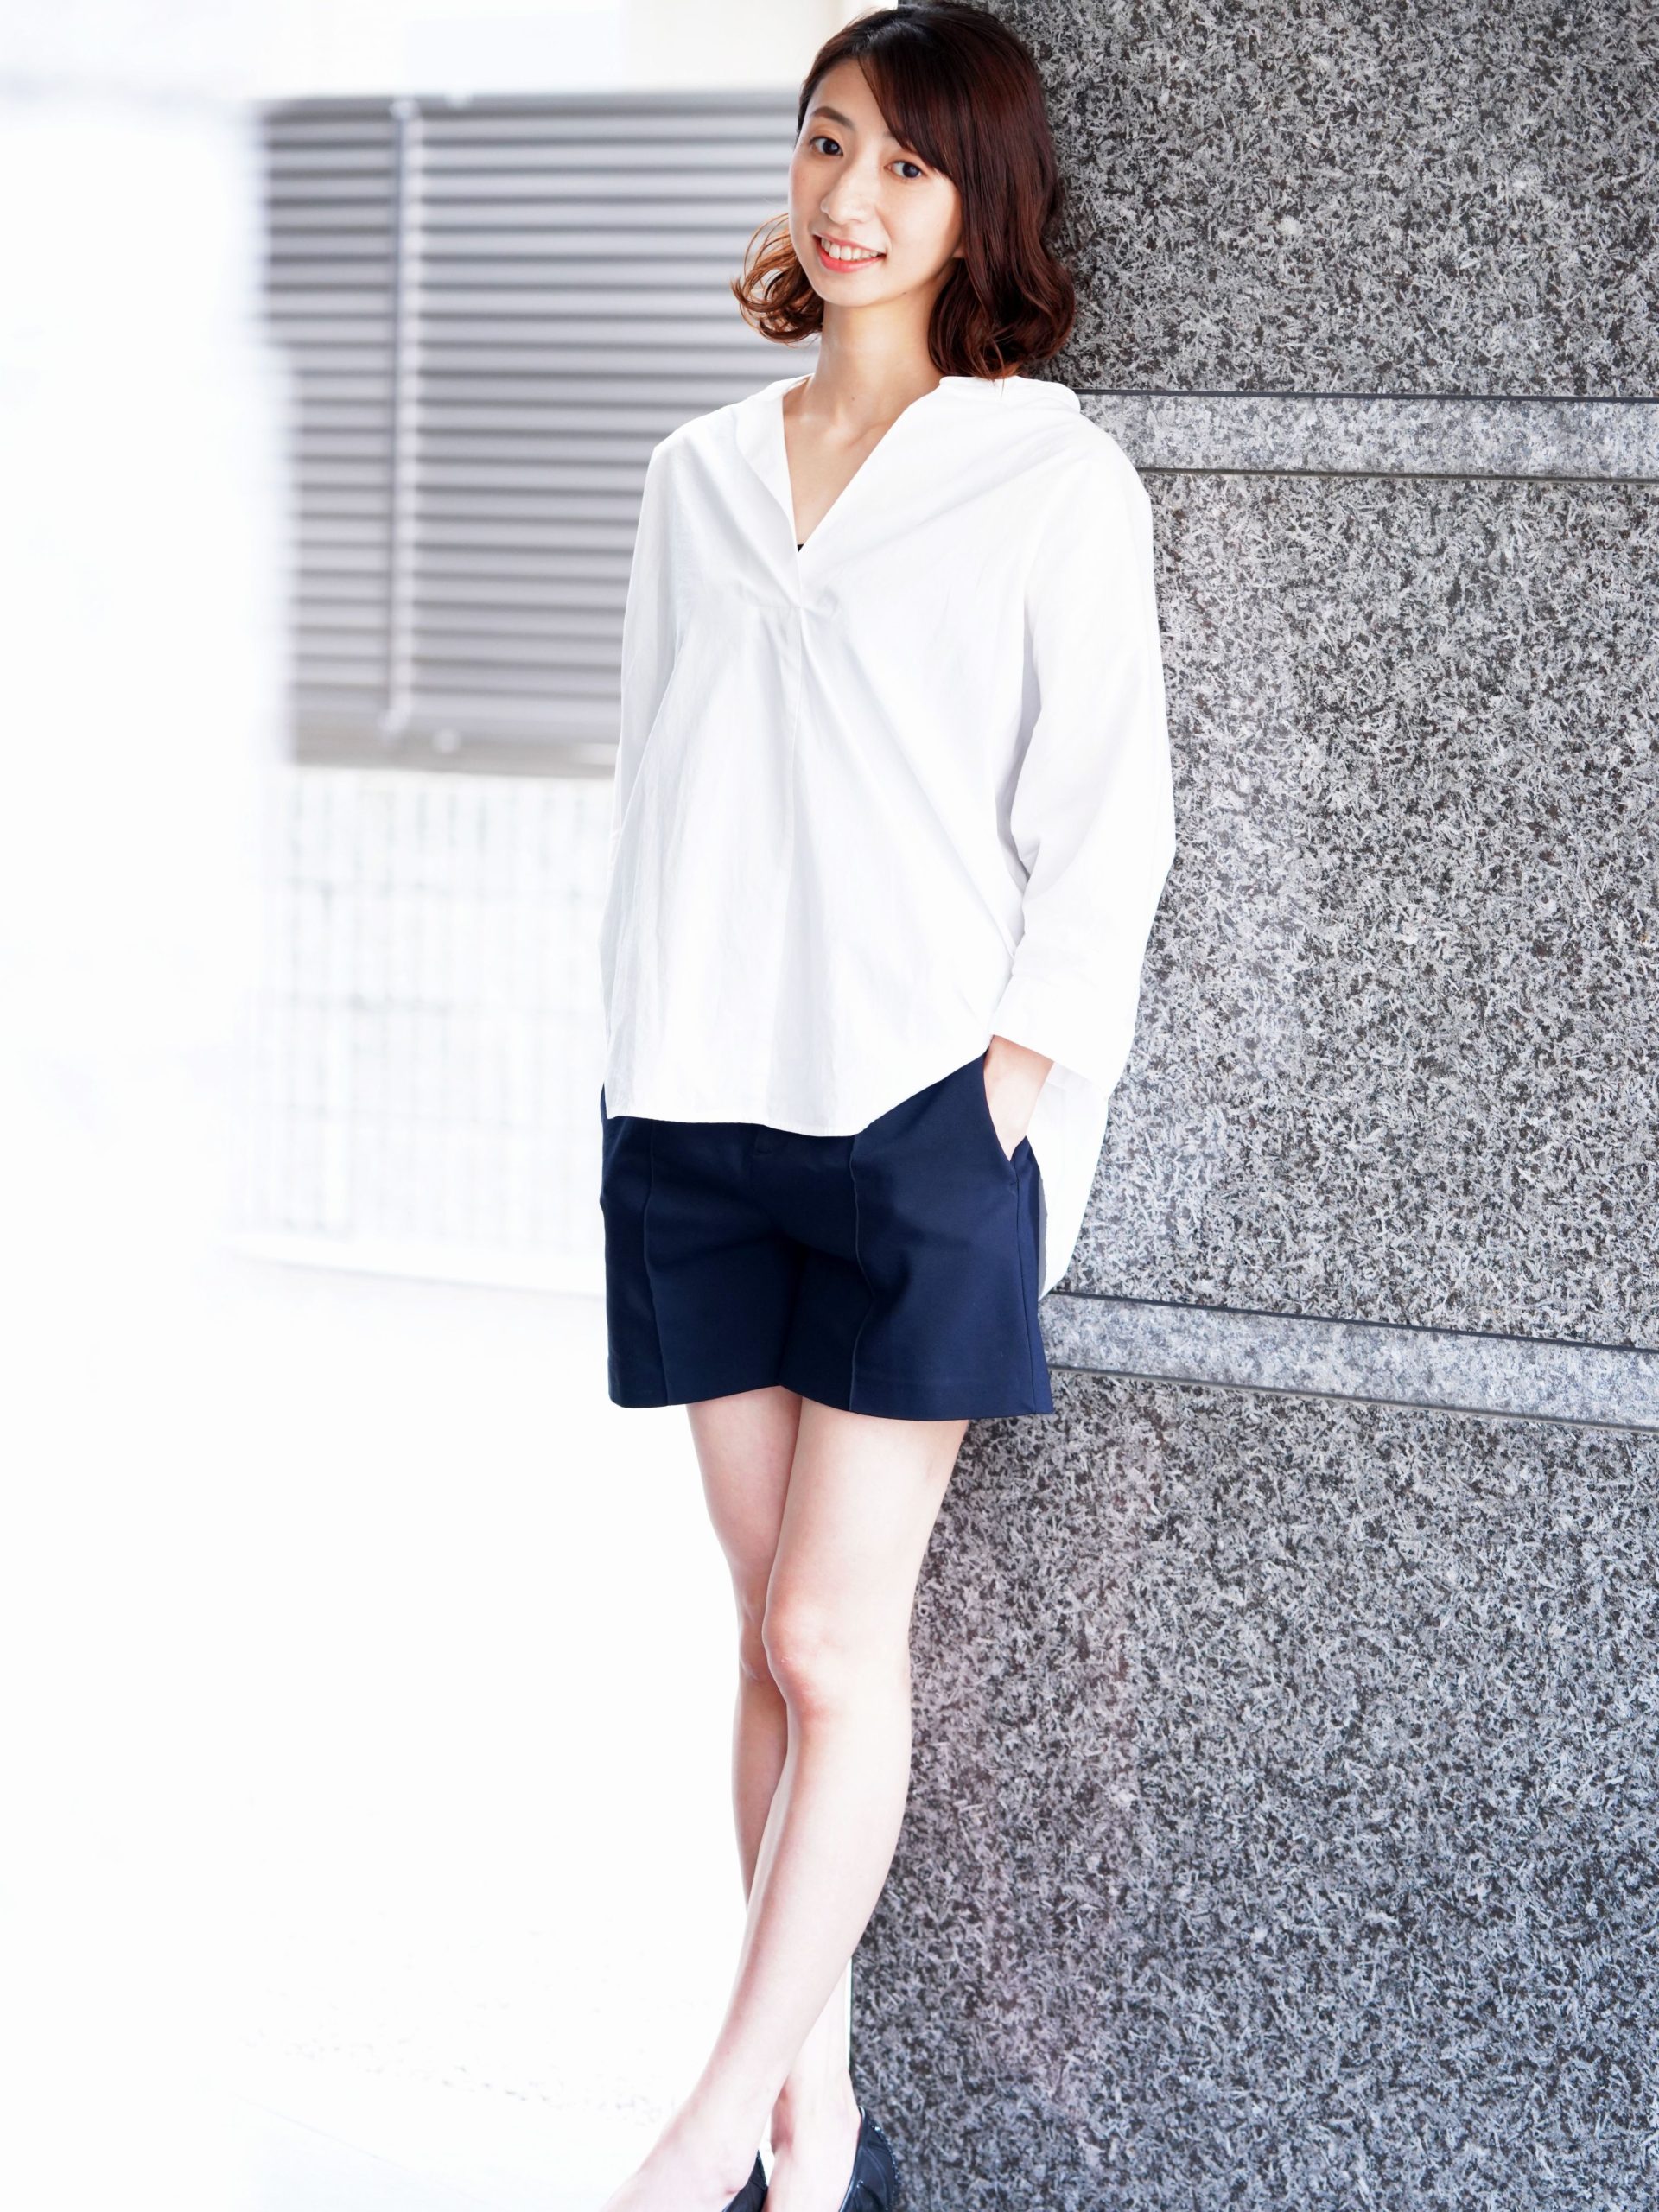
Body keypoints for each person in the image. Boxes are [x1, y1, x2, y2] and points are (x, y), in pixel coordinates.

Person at [594, 7, 1176, 2210]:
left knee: (837, 1639)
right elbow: (657, 787)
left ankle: (700, 2134)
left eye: (908, 167)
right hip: (695, 1111)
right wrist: (634, 1046)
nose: (851, 199)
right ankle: (816, 2124)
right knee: (767, 1631)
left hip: (920, 1124)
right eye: (827, 143)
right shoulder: (695, 476)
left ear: (975, 206)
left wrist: (997, 1099)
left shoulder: (1048, 477)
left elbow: (1110, 826)